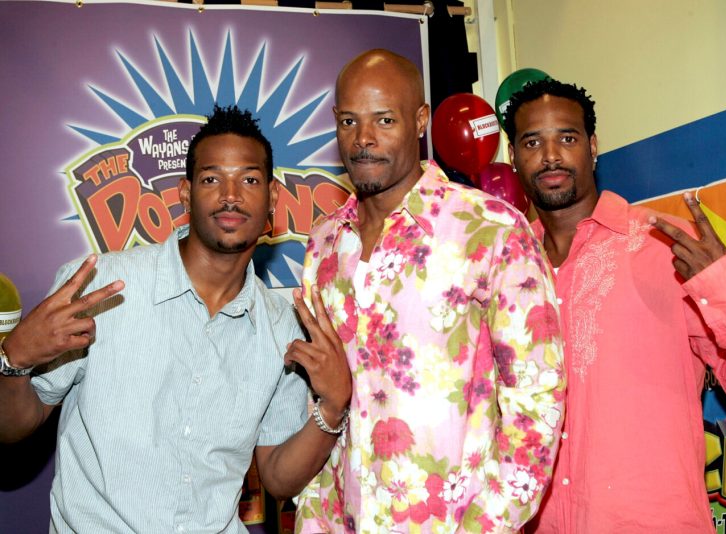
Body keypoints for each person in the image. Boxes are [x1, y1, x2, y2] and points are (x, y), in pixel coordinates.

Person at [0, 105, 352, 533]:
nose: (231, 195)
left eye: (249, 179)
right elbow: (12, 427)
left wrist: (332, 408)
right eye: (211, 179)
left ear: (273, 198)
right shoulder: (100, 286)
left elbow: (278, 478)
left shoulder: (283, 327)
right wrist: (13, 362)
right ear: (185, 194)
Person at [503, 78, 726, 533]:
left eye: (567, 138)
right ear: (512, 156)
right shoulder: (508, 267)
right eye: (532, 142)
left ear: (593, 147)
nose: (551, 156)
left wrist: (725, 284)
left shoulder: (662, 245)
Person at [293, 49, 565, 533]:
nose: (363, 139)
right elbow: (320, 400)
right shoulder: (324, 244)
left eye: (384, 120)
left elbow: (537, 398)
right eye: (349, 121)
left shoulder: (491, 229)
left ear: (420, 120)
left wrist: (487, 526)